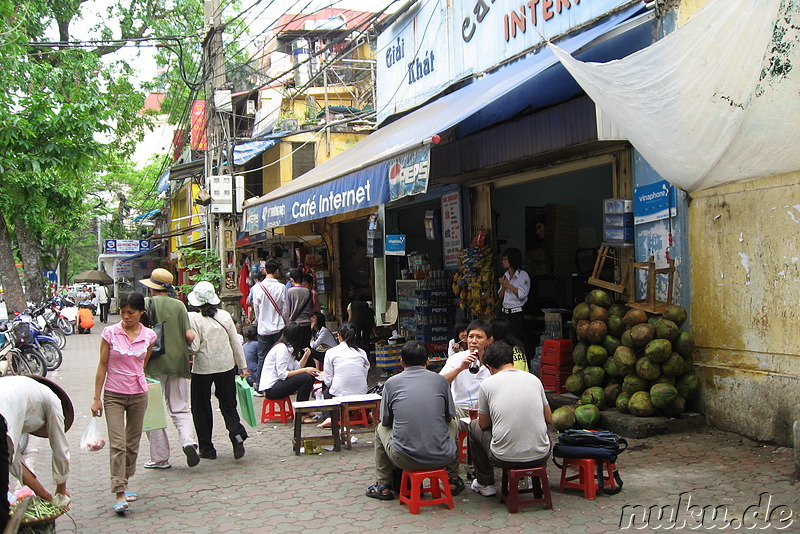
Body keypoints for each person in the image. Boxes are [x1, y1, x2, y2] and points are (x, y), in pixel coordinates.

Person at [365, 340, 463, 501]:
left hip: (404, 458)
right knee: (453, 423)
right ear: (428, 361)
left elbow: (386, 420)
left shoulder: (391, 383)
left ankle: (382, 485)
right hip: (442, 456)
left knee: (380, 429)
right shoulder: (440, 381)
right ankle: (452, 479)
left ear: (401, 362)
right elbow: (449, 416)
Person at [91, 292, 156, 514]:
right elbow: (102, 364)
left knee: (132, 443)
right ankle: (119, 491)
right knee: (117, 443)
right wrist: (96, 398)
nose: (126, 317)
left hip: (138, 394)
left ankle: (125, 480)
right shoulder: (110, 333)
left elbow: (142, 364)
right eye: (123, 312)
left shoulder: (149, 336)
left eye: (131, 313)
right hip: (113, 395)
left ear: (141, 313)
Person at [468, 341, 552, 497]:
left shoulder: (487, 384)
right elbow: (549, 418)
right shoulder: (534, 379)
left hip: (503, 456)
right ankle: (538, 478)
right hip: (542, 453)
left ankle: (484, 483)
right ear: (512, 361)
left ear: (488, 366)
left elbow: (483, 424)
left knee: (473, 427)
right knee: (539, 428)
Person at [139, 268, 199, 469]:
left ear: (152, 288)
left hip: (152, 363)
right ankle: (188, 441)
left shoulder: (146, 304)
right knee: (180, 407)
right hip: (178, 362)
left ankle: (160, 457)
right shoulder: (180, 305)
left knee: (153, 410)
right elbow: (189, 335)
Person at [186, 282, 249, 461]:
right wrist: (242, 366)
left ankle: (207, 448)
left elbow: (195, 347)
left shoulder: (194, 319)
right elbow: (235, 342)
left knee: (201, 408)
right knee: (228, 404)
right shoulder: (225, 316)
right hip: (226, 366)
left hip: (203, 368)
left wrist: (185, 346)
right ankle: (236, 435)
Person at [0, 375, 73, 506]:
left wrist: (45, 496)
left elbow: (14, 461)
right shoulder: (52, 399)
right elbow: (60, 448)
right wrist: (61, 491)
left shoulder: (25, 387)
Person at [258, 322, 319, 423]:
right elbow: (283, 375)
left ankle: (304, 409)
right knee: (306, 377)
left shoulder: (288, 349)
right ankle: (302, 415)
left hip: (278, 384)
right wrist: (305, 370)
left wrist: (306, 355)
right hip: (272, 388)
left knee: (308, 375)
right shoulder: (281, 349)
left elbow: (297, 366)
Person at [439, 319, 493, 426]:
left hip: (484, 411)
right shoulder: (457, 358)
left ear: (489, 340)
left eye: (479, 337)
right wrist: (460, 368)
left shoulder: (494, 361)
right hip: (459, 410)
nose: (473, 341)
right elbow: (439, 382)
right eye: (471, 337)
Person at [316, 323, 370, 429]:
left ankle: (329, 417)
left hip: (340, 393)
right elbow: (364, 374)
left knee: (326, 393)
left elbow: (328, 380)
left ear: (339, 336)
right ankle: (368, 414)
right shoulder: (362, 353)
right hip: (361, 392)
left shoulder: (331, 352)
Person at [251, 260, 287, 388]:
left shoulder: (257, 288)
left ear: (265, 270)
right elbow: (285, 309)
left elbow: (256, 308)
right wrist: (284, 320)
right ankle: (279, 384)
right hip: (279, 327)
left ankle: (261, 385)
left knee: (263, 357)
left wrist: (260, 320)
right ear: (277, 270)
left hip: (263, 329)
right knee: (280, 356)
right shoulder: (282, 287)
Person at [497, 247, 530, 343]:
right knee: (504, 339)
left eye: (505, 259)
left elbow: (522, 295)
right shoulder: (505, 275)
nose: (503, 262)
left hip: (516, 313)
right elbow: (500, 295)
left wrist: (508, 285)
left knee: (515, 340)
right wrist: (503, 286)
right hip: (505, 313)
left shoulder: (523, 275)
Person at [284, 268, 314, 349]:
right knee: (306, 349)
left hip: (294, 325)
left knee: (294, 349)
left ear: (291, 279)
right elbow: (311, 307)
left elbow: (287, 309)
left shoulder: (289, 292)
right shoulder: (308, 292)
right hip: (306, 325)